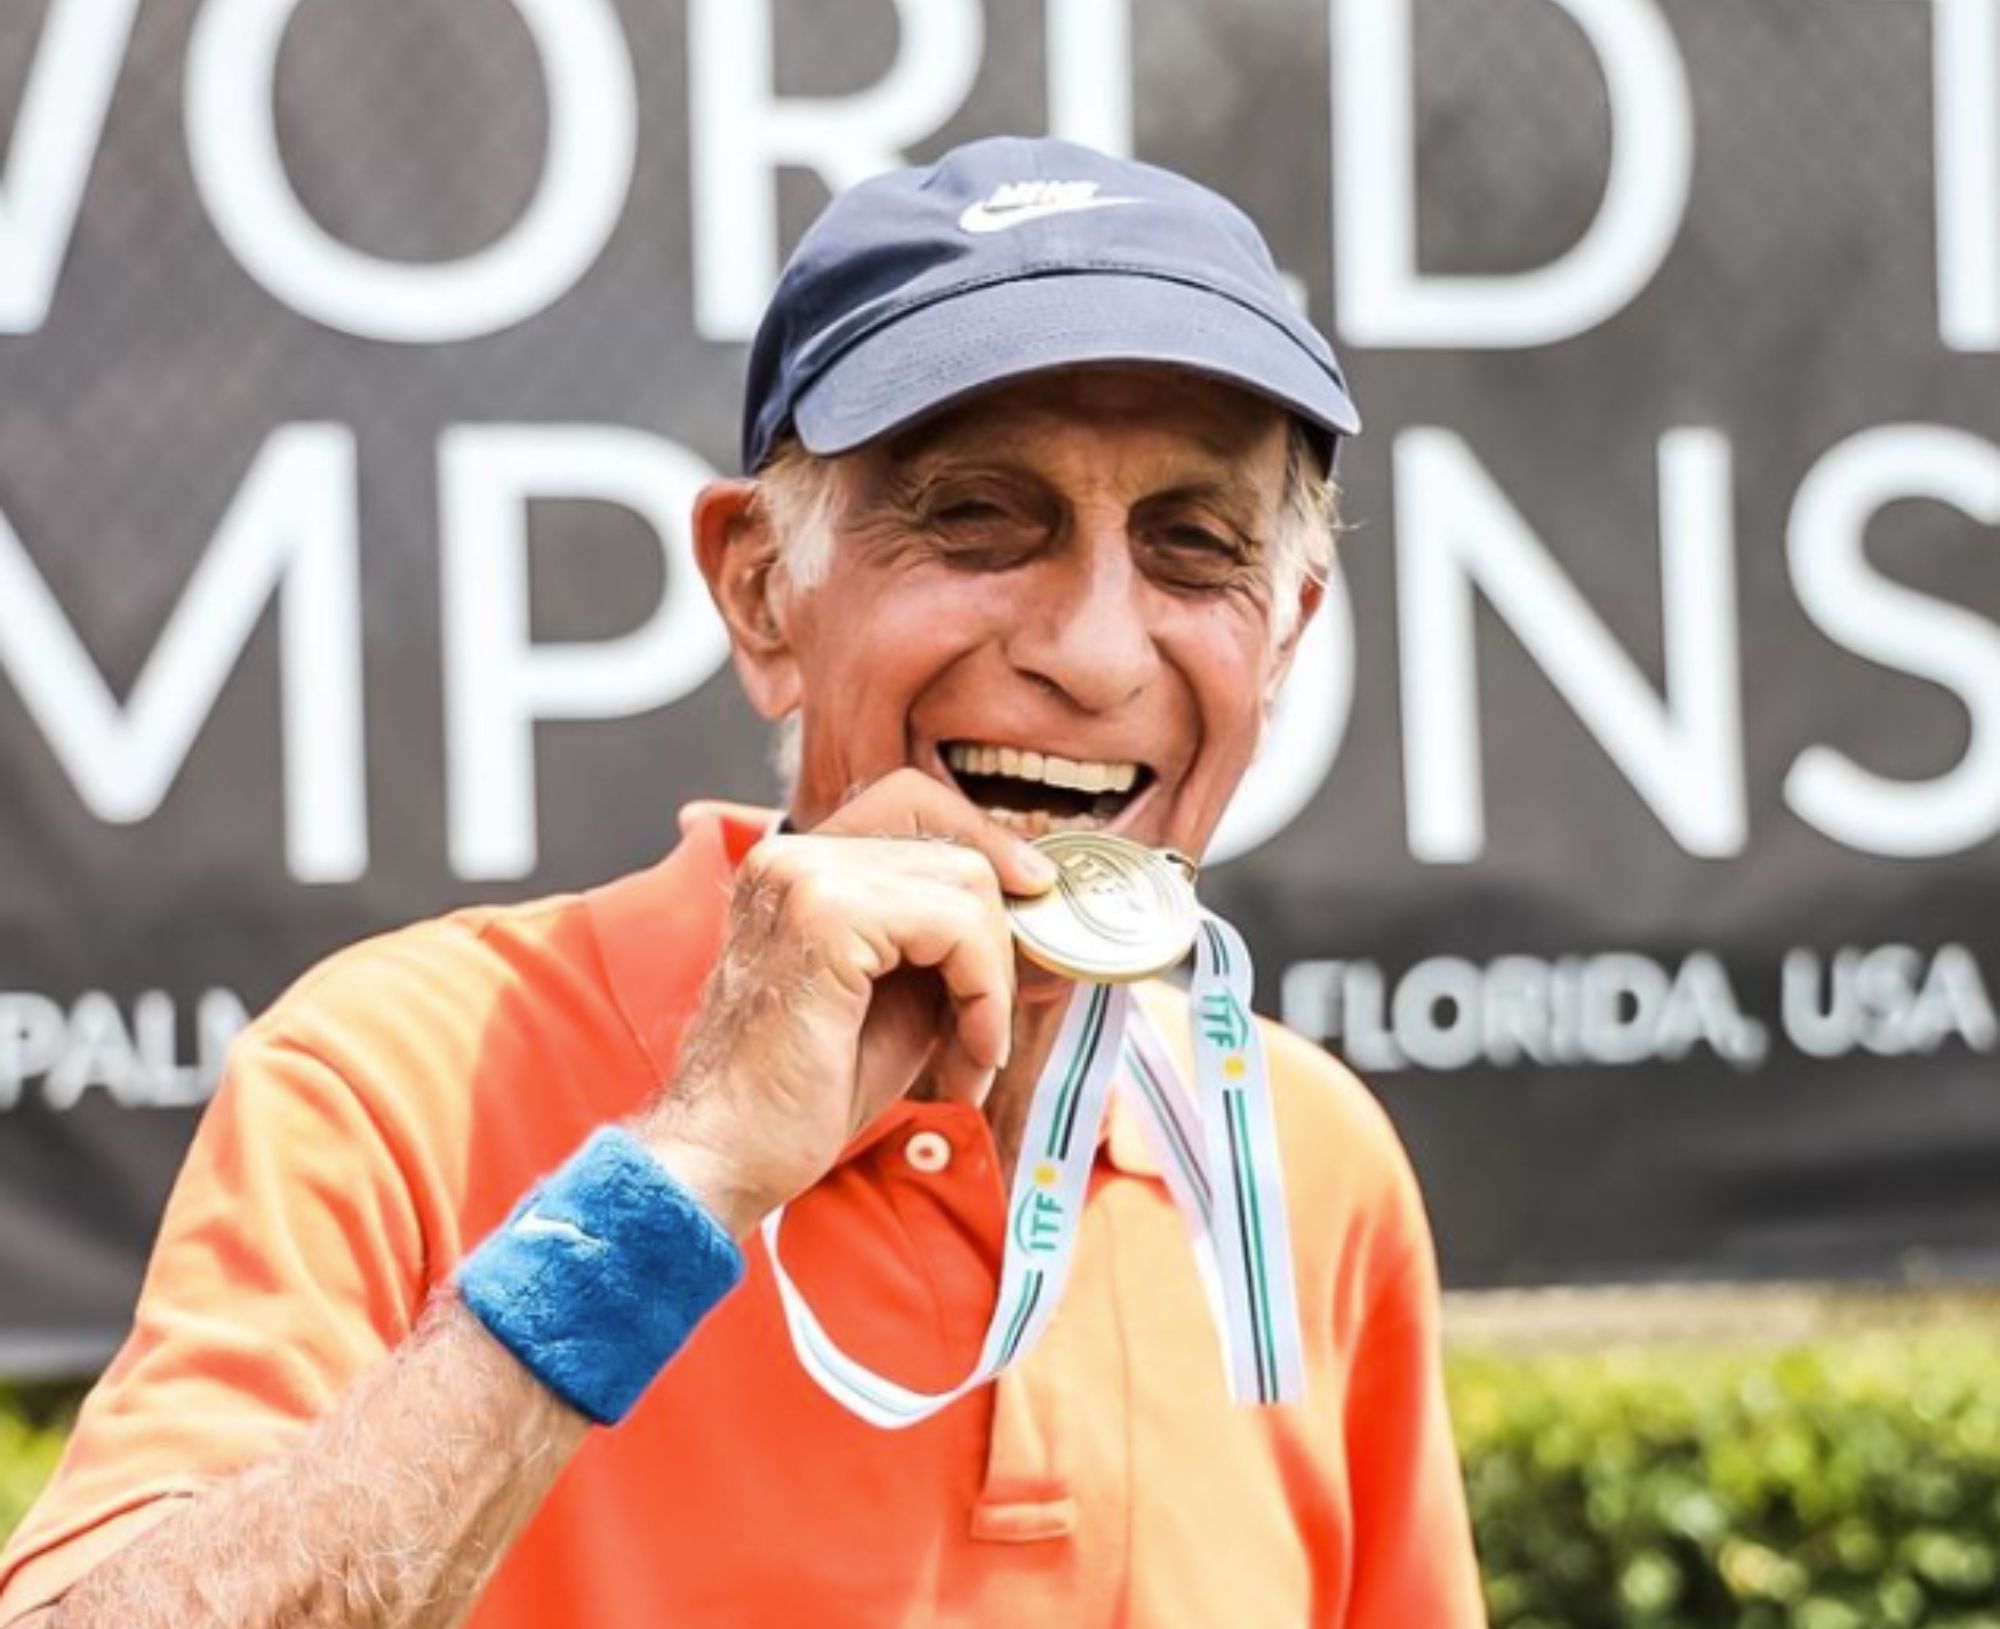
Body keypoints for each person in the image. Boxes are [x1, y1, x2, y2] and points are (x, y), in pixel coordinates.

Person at [0, 136, 1486, 1628]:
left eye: (1195, 544)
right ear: (762, 589)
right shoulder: (392, 1074)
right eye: (975, 515)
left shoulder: (1308, 1154)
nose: (1093, 652)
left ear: (1284, 633)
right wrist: (685, 1173)